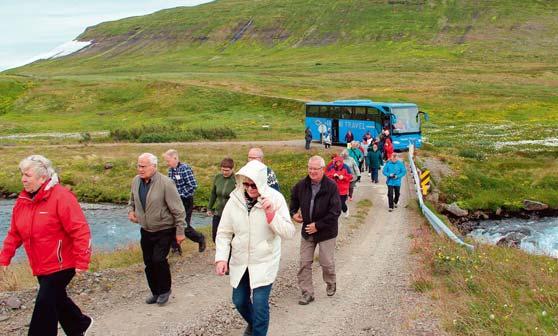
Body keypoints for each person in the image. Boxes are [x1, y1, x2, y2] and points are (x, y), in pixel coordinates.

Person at [0, 155, 93, 336]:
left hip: (63, 263)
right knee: (56, 299)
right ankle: (79, 325)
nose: (23, 179)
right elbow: (15, 233)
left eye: (27, 175)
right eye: (22, 174)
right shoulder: (23, 200)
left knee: (44, 304)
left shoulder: (61, 197)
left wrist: (83, 260)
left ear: (43, 178)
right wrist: (5, 257)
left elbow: (80, 230)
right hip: (40, 264)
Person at [215, 160, 295, 336]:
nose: (250, 188)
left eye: (254, 184)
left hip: (264, 260)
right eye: (246, 184)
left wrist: (271, 214)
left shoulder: (275, 199)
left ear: (262, 183)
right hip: (240, 259)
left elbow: (289, 232)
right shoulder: (234, 200)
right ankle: (254, 324)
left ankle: (258, 330)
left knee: (259, 304)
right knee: (239, 300)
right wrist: (221, 257)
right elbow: (224, 232)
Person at [128, 153, 186, 305]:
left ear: (153, 166)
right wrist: (131, 210)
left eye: (143, 166)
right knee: (148, 262)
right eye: (138, 166)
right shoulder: (136, 181)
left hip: (164, 229)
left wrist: (180, 231)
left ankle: (165, 290)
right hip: (146, 229)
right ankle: (155, 292)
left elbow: (178, 210)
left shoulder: (166, 183)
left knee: (159, 260)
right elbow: (132, 199)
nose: (140, 169)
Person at [290, 156, 341, 306]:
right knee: (304, 263)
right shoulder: (301, 185)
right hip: (307, 231)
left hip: (326, 232)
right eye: (310, 168)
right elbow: (293, 199)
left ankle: (331, 282)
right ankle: (307, 293)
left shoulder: (331, 186)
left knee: (326, 263)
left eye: (315, 169)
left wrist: (318, 225)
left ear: (323, 169)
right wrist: (293, 213)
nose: (312, 171)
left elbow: (335, 212)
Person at [163, 149, 206, 254]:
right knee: (172, 224)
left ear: (175, 158)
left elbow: (193, 185)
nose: (167, 163)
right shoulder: (170, 171)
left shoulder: (185, 169)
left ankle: (200, 238)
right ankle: (175, 248)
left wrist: (179, 194)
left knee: (184, 226)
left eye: (168, 161)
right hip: (174, 201)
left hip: (185, 200)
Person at [207, 157, 236, 243]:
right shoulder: (218, 177)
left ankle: (230, 255)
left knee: (230, 239)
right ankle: (221, 255)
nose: (224, 172)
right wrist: (209, 207)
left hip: (231, 214)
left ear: (232, 169)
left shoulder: (236, 180)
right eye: (222, 170)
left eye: (227, 170)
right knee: (215, 236)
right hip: (218, 212)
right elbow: (213, 193)